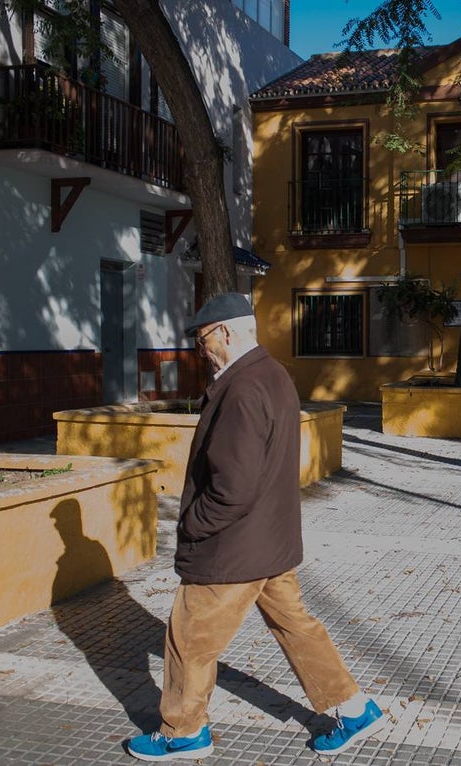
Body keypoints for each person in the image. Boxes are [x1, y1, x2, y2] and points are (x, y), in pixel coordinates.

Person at [126, 292, 384, 762]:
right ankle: (354, 707)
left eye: (202, 339)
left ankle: (183, 732)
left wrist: (192, 525)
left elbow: (233, 487)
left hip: (234, 547)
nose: (199, 349)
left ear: (224, 332)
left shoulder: (242, 388)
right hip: (271, 541)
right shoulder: (271, 374)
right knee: (296, 627)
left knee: (188, 638)